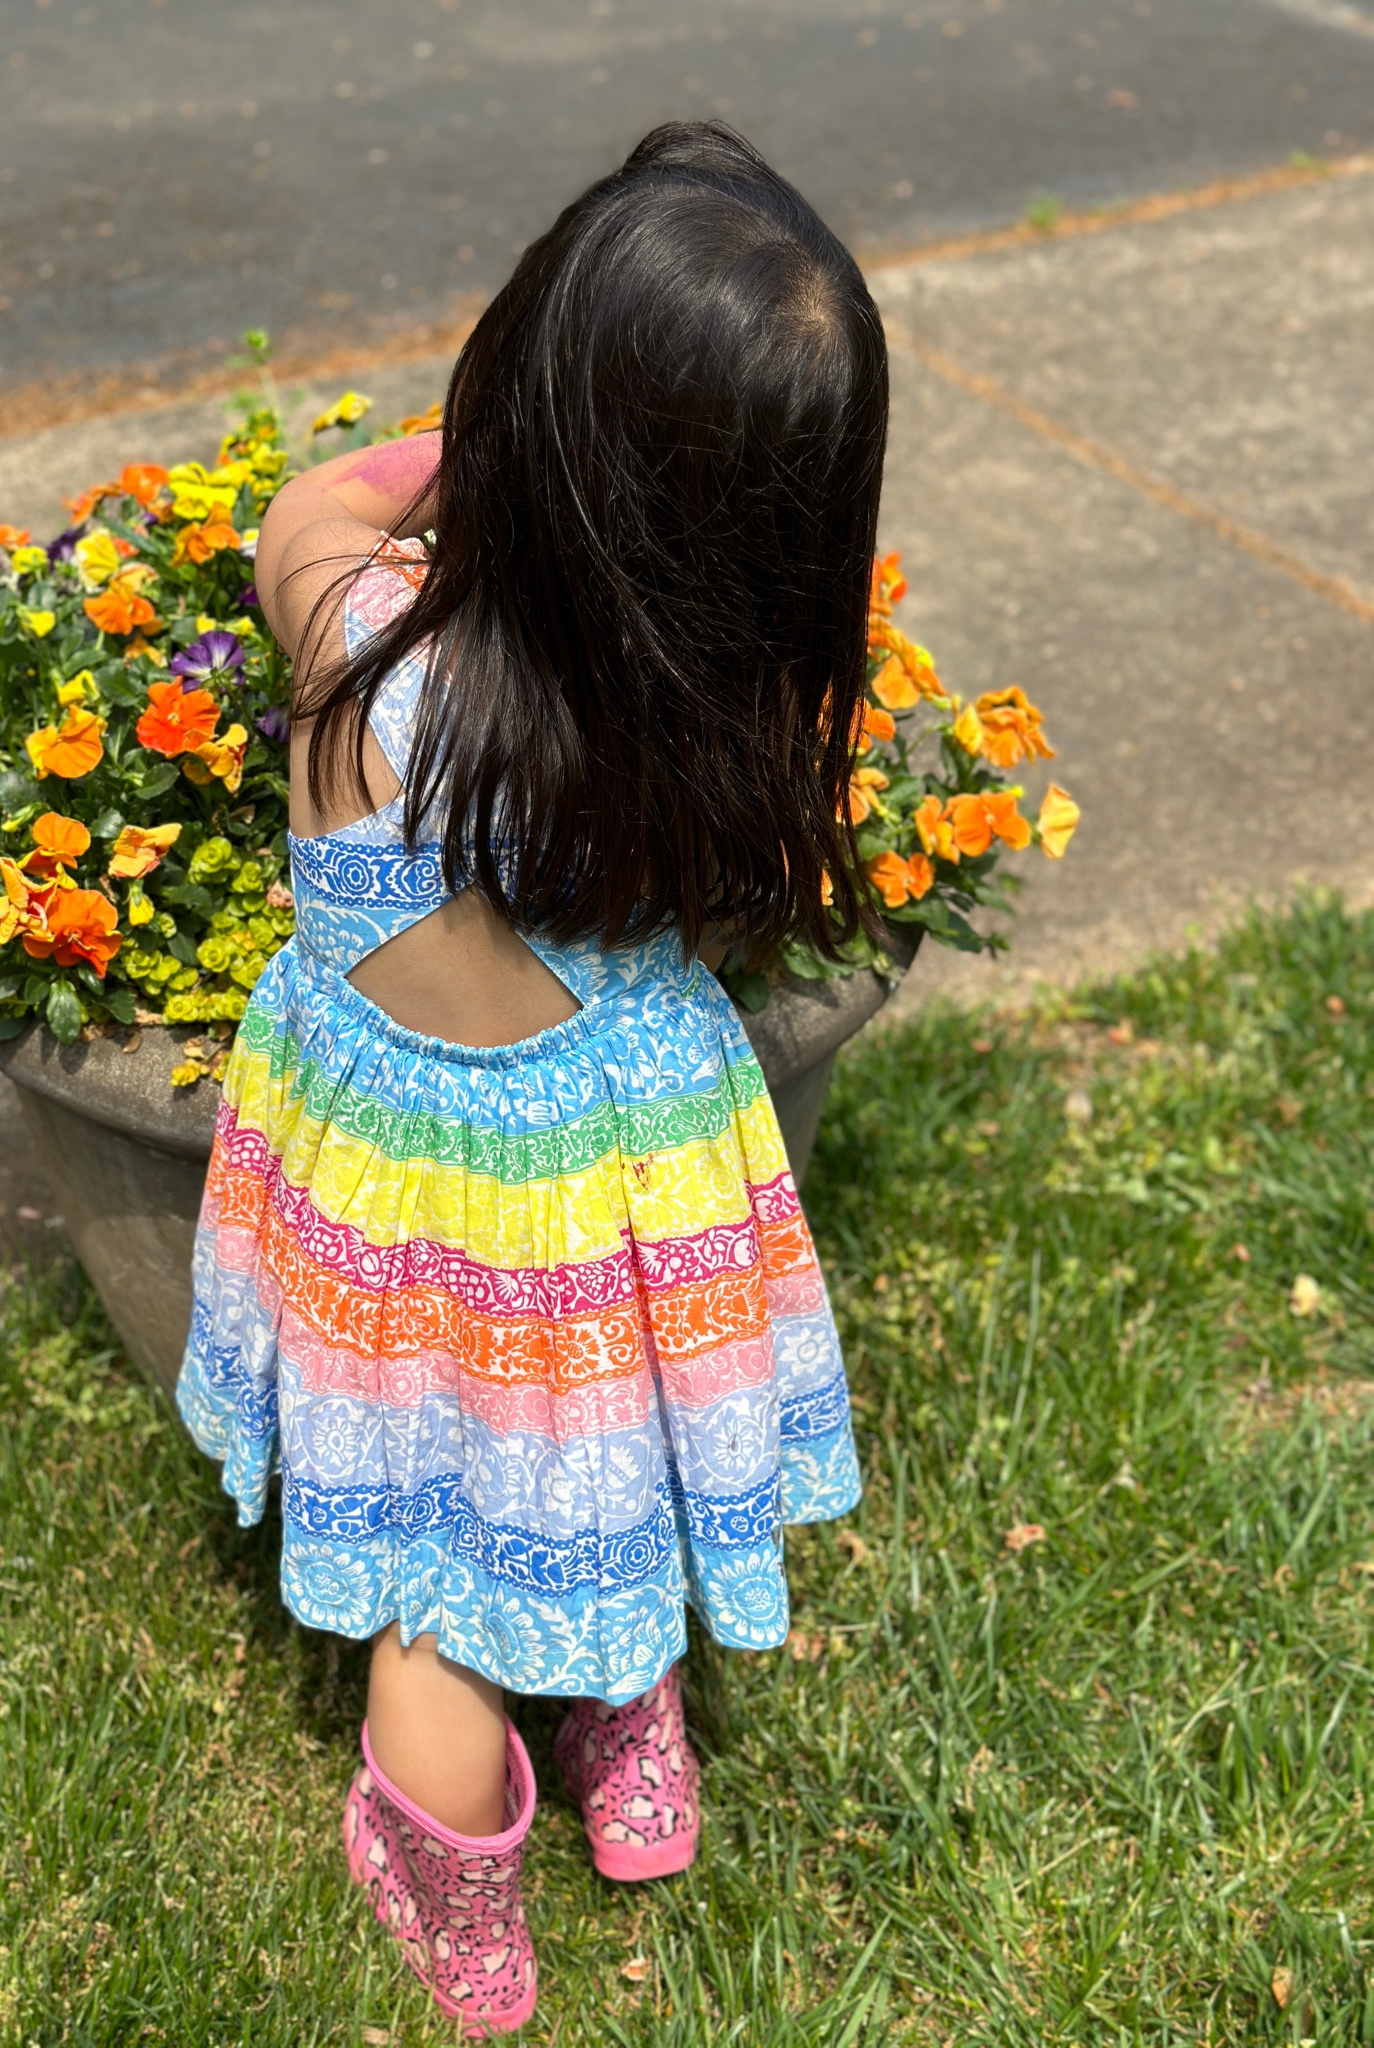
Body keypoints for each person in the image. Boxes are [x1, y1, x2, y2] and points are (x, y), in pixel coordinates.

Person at [178, 120, 889, 2036]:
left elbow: (312, 499)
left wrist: (473, 441)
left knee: (436, 1587)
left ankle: (460, 1907)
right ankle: (633, 1753)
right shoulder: (712, 710)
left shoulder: (354, 627)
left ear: (523, 402)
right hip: (619, 1175)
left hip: (399, 1187)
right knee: (607, 1455)